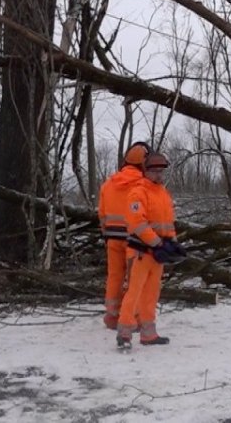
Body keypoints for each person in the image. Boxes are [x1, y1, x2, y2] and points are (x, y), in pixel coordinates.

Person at [116, 151, 186, 349]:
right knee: (134, 292)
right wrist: (157, 243)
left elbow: (168, 222)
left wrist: (172, 242)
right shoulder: (138, 192)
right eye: (155, 171)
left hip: (157, 253)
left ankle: (148, 334)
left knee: (151, 294)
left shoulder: (162, 193)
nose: (159, 174)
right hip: (141, 252)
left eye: (161, 171)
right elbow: (137, 223)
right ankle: (125, 333)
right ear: (146, 171)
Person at [96, 141, 151, 330]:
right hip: (134, 240)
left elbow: (102, 215)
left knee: (114, 276)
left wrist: (107, 235)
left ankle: (112, 315)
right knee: (135, 279)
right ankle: (132, 317)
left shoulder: (108, 184)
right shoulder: (144, 185)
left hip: (112, 238)